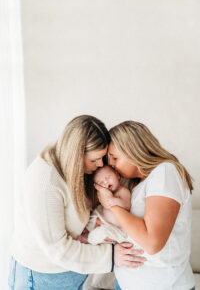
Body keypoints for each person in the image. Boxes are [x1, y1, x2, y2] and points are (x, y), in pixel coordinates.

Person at [8, 115, 145, 290]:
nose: (100, 164)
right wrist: (111, 256)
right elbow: (57, 248)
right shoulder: (45, 182)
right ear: (75, 154)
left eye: (102, 158)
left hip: (72, 270)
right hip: (42, 275)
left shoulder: (79, 169)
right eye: (94, 160)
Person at [95, 120, 195, 290]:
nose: (111, 164)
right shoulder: (137, 184)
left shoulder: (165, 172)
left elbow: (152, 242)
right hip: (127, 283)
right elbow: (136, 229)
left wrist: (111, 205)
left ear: (133, 150)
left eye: (115, 158)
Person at [77, 165, 131, 245]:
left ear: (117, 175)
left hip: (118, 228)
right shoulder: (107, 194)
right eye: (101, 183)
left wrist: (114, 201)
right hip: (104, 220)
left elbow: (126, 205)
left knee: (103, 231)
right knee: (97, 211)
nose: (106, 182)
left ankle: (89, 239)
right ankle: (88, 228)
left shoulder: (123, 191)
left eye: (108, 177)